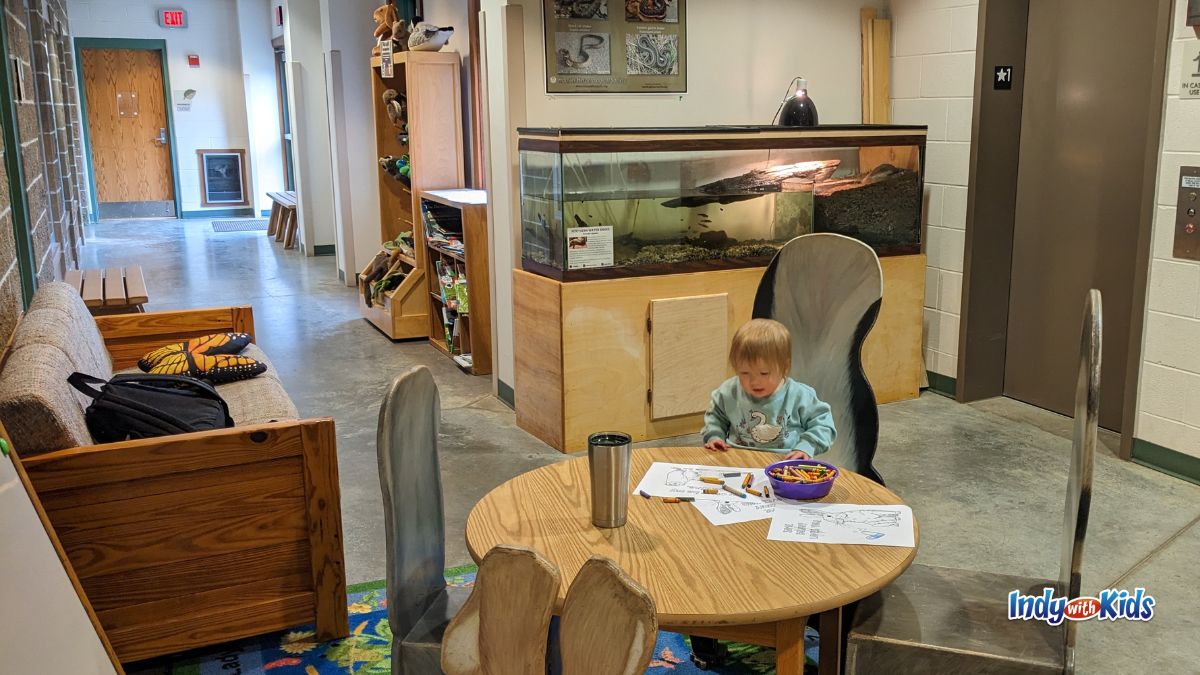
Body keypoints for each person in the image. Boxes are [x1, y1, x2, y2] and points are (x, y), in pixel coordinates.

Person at [702, 318, 835, 459]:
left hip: (786, 462)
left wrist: (807, 447)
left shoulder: (800, 396)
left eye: (764, 373)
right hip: (737, 458)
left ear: (785, 367)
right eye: (744, 373)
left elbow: (824, 425)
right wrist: (715, 436)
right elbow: (715, 417)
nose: (754, 381)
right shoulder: (728, 391)